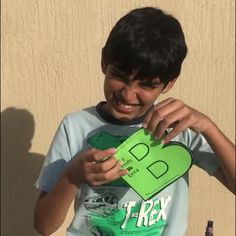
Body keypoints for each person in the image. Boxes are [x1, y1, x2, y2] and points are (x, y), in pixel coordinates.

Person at [34, 7, 235, 236]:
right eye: (119, 76)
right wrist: (71, 177)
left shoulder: (179, 127)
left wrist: (208, 127)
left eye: (147, 85)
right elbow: (43, 225)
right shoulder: (75, 126)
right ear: (104, 62)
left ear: (169, 84)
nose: (128, 95)